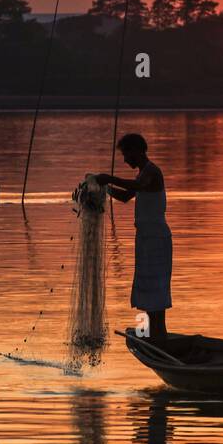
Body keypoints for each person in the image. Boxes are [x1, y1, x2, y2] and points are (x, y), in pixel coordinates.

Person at [94, 133, 171, 344]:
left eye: (126, 154)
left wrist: (108, 178)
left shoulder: (151, 173)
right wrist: (105, 188)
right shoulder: (142, 176)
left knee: (157, 292)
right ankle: (156, 338)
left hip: (156, 240)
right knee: (148, 291)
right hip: (146, 239)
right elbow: (126, 196)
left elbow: (135, 187)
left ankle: (159, 338)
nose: (125, 159)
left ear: (137, 150)